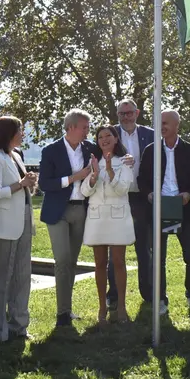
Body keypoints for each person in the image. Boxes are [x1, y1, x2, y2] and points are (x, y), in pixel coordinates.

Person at [138, 110, 190, 315]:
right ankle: (160, 300)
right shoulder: (151, 150)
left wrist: (188, 195)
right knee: (158, 259)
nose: (162, 126)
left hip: (184, 209)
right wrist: (149, 194)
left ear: (177, 126)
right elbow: (142, 180)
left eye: (166, 123)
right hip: (158, 209)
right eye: (160, 123)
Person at [38, 109, 100, 327]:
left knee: (71, 262)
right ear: (71, 127)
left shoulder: (90, 148)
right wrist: (75, 177)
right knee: (62, 260)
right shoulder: (50, 150)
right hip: (57, 212)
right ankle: (62, 314)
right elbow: (45, 184)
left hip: (80, 211)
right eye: (85, 127)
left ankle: (67, 310)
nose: (87, 131)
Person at [0, 116, 37, 341]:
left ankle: (19, 325)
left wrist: (30, 184)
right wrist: (21, 184)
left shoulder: (15, 156)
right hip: (3, 225)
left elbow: (22, 191)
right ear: (7, 133)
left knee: (22, 275)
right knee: (2, 278)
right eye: (19, 130)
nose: (22, 134)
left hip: (24, 220)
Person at [79, 125, 135, 325]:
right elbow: (85, 191)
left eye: (108, 136)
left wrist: (110, 170)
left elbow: (121, 190)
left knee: (118, 262)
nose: (104, 139)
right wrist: (93, 176)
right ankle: (102, 307)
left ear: (115, 138)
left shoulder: (125, 162)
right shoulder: (93, 161)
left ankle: (121, 306)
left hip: (118, 218)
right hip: (97, 218)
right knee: (100, 264)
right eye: (100, 137)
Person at [109, 98, 154, 310]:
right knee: (116, 249)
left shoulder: (151, 135)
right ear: (117, 115)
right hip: (118, 197)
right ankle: (114, 295)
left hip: (142, 198)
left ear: (137, 113)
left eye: (129, 113)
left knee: (144, 248)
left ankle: (148, 294)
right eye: (121, 113)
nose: (126, 117)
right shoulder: (109, 135)